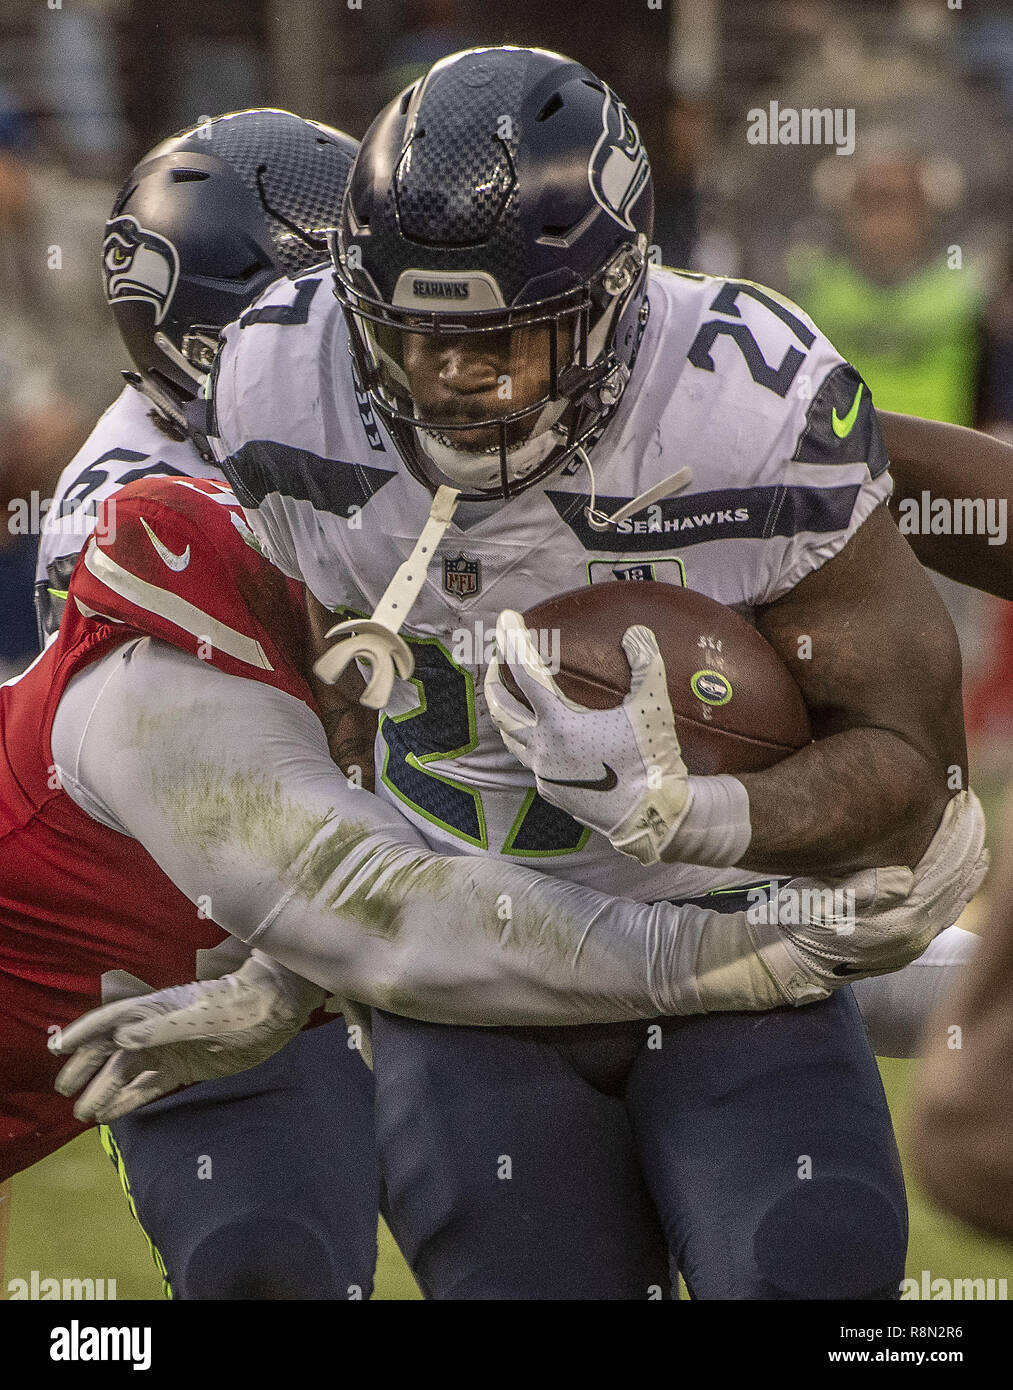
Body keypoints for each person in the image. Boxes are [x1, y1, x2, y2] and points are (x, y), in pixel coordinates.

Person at [133, 46, 982, 1299]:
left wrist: (694, 810)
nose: (454, 381)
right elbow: (309, 684)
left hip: (726, 945)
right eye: (413, 336)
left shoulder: (739, 403)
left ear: (618, 301)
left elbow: (909, 763)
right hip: (471, 974)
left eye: (504, 338)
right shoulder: (275, 384)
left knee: (814, 1267)